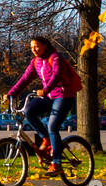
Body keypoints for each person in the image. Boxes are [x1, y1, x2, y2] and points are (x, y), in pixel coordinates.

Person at [7, 35, 82, 176]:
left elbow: (57, 74)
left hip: (63, 95)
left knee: (52, 125)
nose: (34, 50)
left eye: (36, 46)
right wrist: (11, 93)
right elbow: (25, 79)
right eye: (31, 48)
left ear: (44, 45)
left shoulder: (55, 58)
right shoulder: (36, 62)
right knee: (29, 112)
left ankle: (57, 163)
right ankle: (46, 138)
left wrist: (46, 89)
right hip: (49, 96)